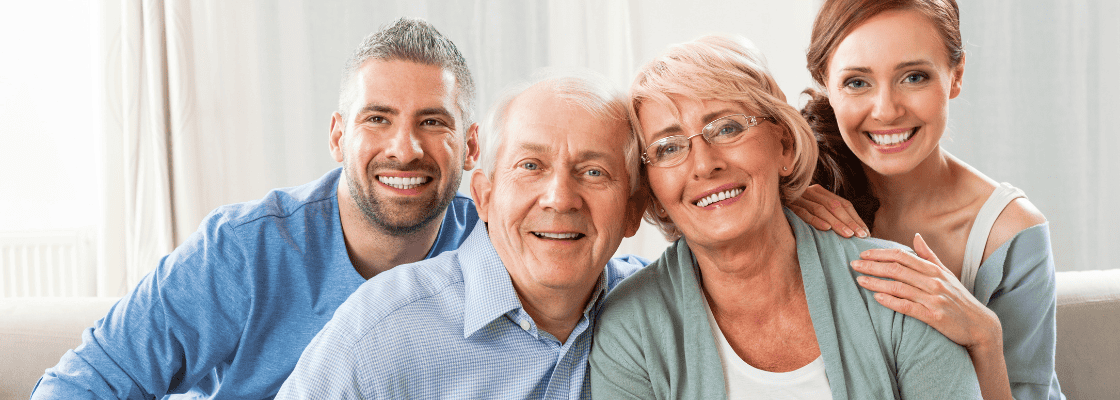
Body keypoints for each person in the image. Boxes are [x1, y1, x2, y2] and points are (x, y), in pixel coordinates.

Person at [31, 18, 481, 399]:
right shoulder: (241, 250)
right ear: (338, 137)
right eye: (377, 118)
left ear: (470, 147)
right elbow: (83, 383)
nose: (404, 150)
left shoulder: (497, 249)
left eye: (433, 121)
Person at [589, 35, 982, 399]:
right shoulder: (631, 327)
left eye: (727, 128)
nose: (704, 165)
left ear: (786, 146)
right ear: (653, 195)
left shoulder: (897, 285)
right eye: (668, 148)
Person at [274, 70, 647, 399]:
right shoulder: (376, 332)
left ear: (633, 212)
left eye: (594, 171)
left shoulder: (658, 311)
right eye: (531, 166)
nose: (560, 199)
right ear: (484, 197)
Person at [791, 1, 1062, 398]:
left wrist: (985, 339)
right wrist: (776, 208)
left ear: (956, 76)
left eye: (914, 77)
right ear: (825, 85)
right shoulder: (798, 197)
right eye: (857, 82)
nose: (886, 111)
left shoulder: (1009, 234)